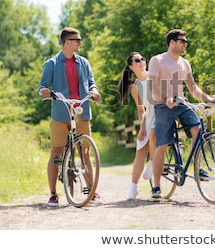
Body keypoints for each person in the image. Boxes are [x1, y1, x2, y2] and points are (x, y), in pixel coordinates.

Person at [148, 29, 215, 198]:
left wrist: (208, 99)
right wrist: (166, 99)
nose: (185, 44)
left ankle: (197, 168)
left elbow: (193, 88)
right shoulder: (157, 60)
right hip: (163, 105)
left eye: (186, 41)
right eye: (183, 41)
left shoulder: (185, 63)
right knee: (162, 144)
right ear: (172, 42)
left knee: (197, 130)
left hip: (181, 102)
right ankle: (156, 186)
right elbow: (153, 87)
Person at [37, 27, 102, 207]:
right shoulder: (51, 64)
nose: (80, 42)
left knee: (86, 151)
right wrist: (45, 92)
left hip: (81, 111)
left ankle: (91, 190)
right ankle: (53, 194)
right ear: (67, 42)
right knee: (56, 153)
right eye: (77, 40)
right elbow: (42, 87)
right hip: (60, 113)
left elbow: (91, 83)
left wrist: (94, 91)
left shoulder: (84, 62)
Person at [118, 52, 156, 200]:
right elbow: (141, 109)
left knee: (153, 134)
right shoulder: (135, 88)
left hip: (161, 112)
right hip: (149, 115)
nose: (141, 62)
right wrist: (142, 127)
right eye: (137, 60)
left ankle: (153, 161)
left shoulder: (154, 76)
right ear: (131, 66)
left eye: (143, 59)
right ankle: (133, 187)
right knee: (140, 150)